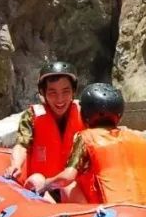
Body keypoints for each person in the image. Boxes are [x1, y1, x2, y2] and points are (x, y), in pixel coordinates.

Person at [48, 83, 146, 207]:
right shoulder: (140, 138)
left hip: (113, 214)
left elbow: (67, 177)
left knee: (68, 185)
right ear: (119, 114)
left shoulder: (85, 138)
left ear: (84, 114)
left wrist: (44, 185)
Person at [6, 60, 86, 200]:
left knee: (69, 186)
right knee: (36, 179)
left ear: (73, 91)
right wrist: (16, 165)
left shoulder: (85, 113)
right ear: (43, 92)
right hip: (42, 185)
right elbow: (22, 145)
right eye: (52, 92)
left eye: (65, 91)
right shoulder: (31, 116)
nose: (59, 99)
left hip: (72, 184)